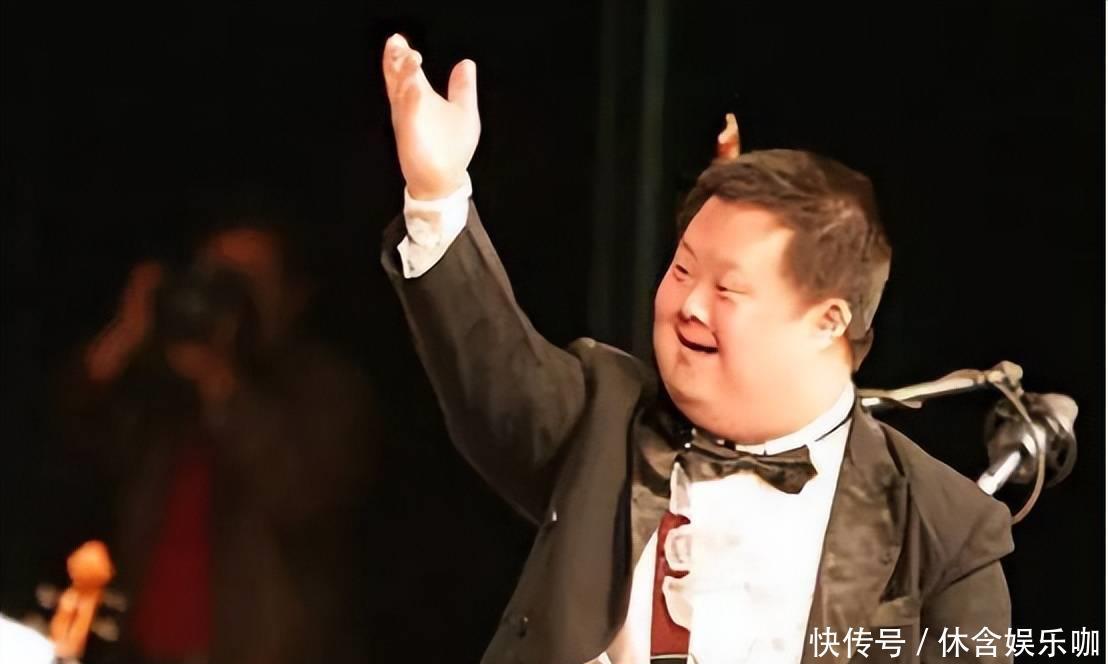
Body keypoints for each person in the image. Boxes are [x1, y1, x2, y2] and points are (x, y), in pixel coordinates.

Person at [378, 34, 1014, 664]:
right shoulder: (605, 418)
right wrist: (438, 192)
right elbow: (493, 373)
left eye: (728, 289)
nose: (690, 305)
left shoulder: (940, 527)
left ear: (827, 322)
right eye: (682, 270)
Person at [56, 218, 377, 664]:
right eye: (215, 277)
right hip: (142, 651)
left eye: (246, 282)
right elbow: (74, 451)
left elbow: (301, 495)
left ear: (292, 297)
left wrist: (222, 384)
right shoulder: (169, 383)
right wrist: (125, 336)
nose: (226, 295)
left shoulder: (325, 388)